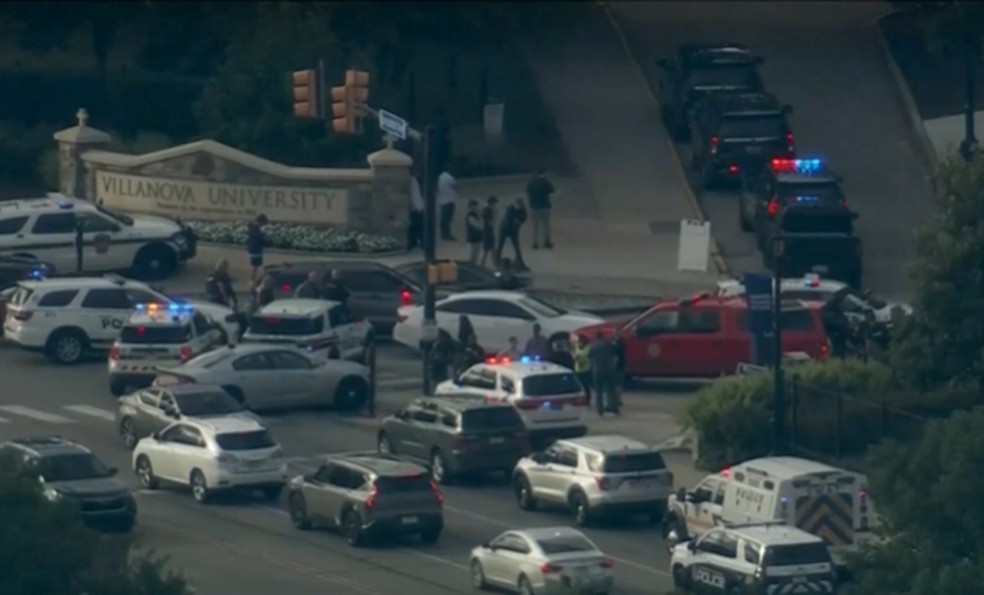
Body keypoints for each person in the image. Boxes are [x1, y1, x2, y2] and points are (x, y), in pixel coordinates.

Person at [588, 330, 619, 416]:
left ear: (596, 336)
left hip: (598, 370)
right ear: (602, 336)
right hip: (609, 369)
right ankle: (615, 408)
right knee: (612, 390)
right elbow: (615, 354)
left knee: (599, 392)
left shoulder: (593, 346)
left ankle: (600, 410)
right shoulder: (609, 344)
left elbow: (590, 357)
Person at [496, 197, 529, 271]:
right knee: (500, 246)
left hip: (513, 231)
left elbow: (523, 218)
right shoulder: (510, 209)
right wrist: (517, 220)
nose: (518, 206)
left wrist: (517, 220)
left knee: (517, 248)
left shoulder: (522, 211)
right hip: (504, 230)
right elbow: (509, 220)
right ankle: (497, 263)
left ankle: (521, 264)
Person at [527, 169, 555, 250]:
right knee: (546, 226)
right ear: (544, 174)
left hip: (535, 207)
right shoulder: (545, 182)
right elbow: (552, 190)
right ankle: (547, 242)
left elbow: (528, 190)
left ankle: (535, 243)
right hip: (545, 207)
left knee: (535, 227)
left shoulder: (532, 183)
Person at [246, 214, 269, 284]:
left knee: (255, 267)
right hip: (256, 250)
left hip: (253, 250)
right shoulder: (255, 229)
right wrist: (264, 237)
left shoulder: (252, 227)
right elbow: (259, 239)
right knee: (255, 267)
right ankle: (252, 280)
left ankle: (253, 280)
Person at [437, 168, 457, 241]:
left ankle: (443, 233)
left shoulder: (440, 177)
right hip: (449, 200)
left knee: (443, 219)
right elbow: (455, 186)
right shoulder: (450, 178)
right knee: (448, 219)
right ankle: (447, 234)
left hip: (442, 200)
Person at [572, 335, 592, 406]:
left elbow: (586, 355)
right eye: (579, 342)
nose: (579, 343)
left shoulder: (588, 348)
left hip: (586, 370)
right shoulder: (577, 347)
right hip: (578, 370)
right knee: (579, 387)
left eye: (581, 342)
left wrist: (579, 356)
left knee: (586, 387)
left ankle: (587, 401)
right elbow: (574, 355)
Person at [480, 196, 498, 267]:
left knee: (489, 251)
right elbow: (492, 223)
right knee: (488, 251)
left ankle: (494, 265)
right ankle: (493, 265)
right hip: (488, 232)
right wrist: (495, 214)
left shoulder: (486, 210)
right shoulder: (488, 210)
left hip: (488, 232)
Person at [408, 175, 424, 251]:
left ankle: (413, 242)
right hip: (416, 208)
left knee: (414, 227)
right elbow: (415, 195)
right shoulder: (412, 180)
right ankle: (418, 242)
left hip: (414, 208)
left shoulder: (412, 180)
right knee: (418, 227)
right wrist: (419, 207)